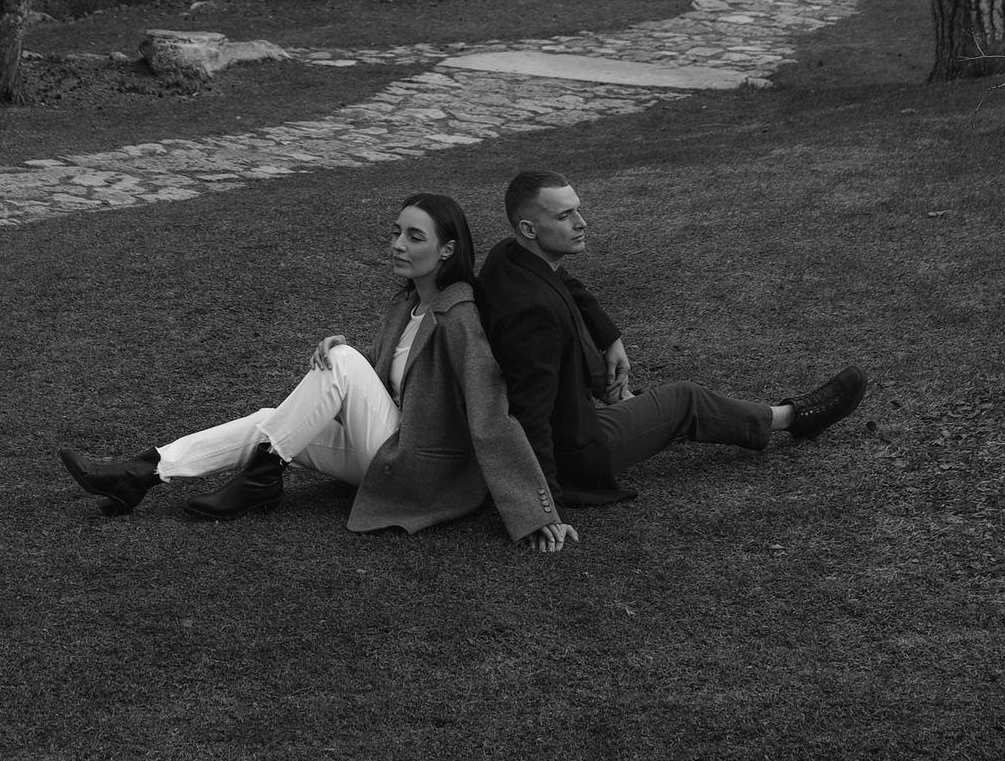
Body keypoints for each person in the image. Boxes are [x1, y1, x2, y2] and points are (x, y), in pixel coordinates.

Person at [58, 192, 580, 553]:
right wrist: (348, 356)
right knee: (271, 417)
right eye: (396, 232)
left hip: (425, 472)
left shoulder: (460, 316)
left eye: (414, 237)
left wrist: (538, 511)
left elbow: (491, 419)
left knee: (341, 363)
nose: (398, 244)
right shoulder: (406, 305)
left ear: (447, 250)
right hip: (385, 451)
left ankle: (261, 477)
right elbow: (390, 382)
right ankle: (142, 473)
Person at [477, 169, 867, 507]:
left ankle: (628, 403)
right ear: (529, 228)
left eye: (578, 209)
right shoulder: (535, 313)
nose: (582, 223)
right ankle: (793, 418)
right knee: (686, 398)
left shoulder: (509, 256)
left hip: (570, 418)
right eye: (565, 216)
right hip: (575, 453)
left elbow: (567, 285)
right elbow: (529, 414)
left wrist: (611, 339)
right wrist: (542, 507)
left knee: (589, 338)